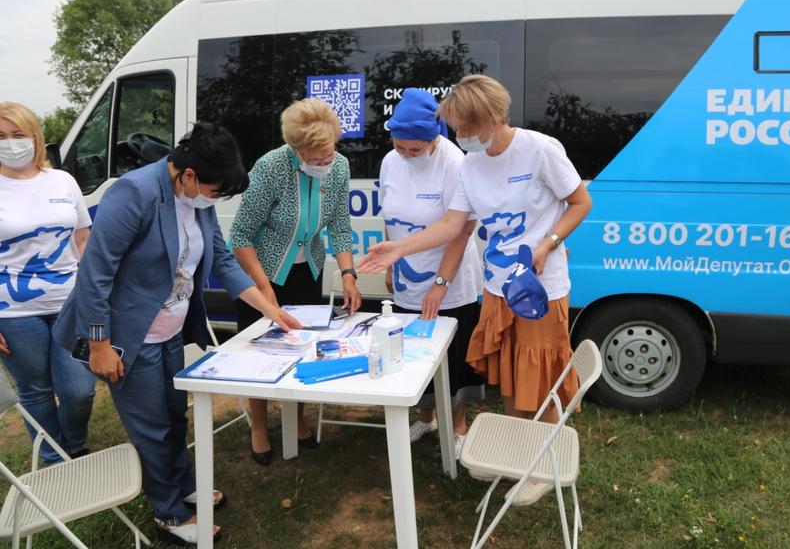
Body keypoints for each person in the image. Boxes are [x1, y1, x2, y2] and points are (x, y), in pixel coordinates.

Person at [53, 123, 300, 545]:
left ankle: (182, 485)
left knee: (173, 414)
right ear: (188, 175)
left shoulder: (197, 196)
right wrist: (98, 343)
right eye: (213, 190)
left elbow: (221, 258)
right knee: (149, 426)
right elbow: (95, 273)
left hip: (170, 329)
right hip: (126, 336)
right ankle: (168, 513)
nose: (214, 199)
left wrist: (269, 309)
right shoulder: (134, 193)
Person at [360, 74, 592, 505]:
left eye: (467, 129)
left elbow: (580, 203)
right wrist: (399, 248)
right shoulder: (470, 165)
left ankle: (543, 464)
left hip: (543, 288)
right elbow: (453, 227)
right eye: (457, 130)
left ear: (493, 117)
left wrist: (548, 244)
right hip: (499, 286)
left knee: (540, 377)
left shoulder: (540, 149)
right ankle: (518, 455)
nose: (461, 138)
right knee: (510, 375)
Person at [229, 98, 362, 466]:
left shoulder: (339, 168)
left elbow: (340, 225)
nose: (325, 163)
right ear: (296, 150)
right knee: (259, 355)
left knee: (302, 347)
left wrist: (348, 275)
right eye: (316, 158)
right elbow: (240, 236)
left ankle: (296, 420)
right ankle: (259, 426)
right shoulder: (270, 168)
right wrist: (264, 289)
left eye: (329, 154)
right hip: (262, 273)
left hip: (308, 272)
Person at [380, 88, 484, 457]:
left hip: (449, 277)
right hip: (408, 275)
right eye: (400, 147)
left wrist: (441, 283)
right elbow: (389, 216)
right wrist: (392, 261)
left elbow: (461, 230)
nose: (406, 156)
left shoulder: (456, 164)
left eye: (415, 150)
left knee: (450, 355)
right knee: (413, 350)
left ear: (434, 138)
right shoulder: (391, 161)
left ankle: (458, 426)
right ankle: (426, 417)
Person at [0, 101, 95, 465]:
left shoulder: (62, 180)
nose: (10, 143)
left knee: (79, 389)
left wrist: (93, 293)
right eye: (2, 136)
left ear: (35, 138)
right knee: (36, 389)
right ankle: (54, 460)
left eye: (18, 135)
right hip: (12, 311)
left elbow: (84, 239)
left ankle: (73, 443)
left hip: (70, 301)